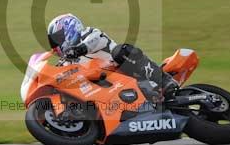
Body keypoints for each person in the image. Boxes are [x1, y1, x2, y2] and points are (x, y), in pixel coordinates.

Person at [47, 13, 179, 103]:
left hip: (124, 70)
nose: (55, 46)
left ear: (69, 29)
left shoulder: (88, 33)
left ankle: (163, 80)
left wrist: (78, 49)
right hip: (106, 88)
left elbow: (95, 39)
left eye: (57, 39)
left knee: (120, 51)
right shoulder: (67, 60)